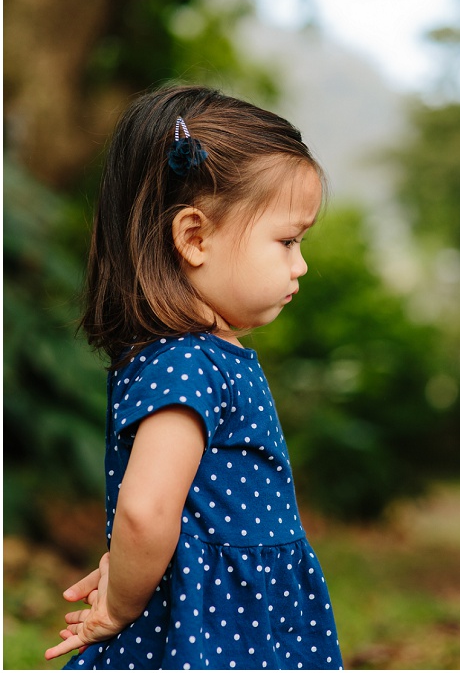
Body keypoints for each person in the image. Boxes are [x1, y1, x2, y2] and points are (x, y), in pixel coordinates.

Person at [47, 86, 341, 671]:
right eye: (286, 241)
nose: (300, 263)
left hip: (241, 612)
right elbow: (146, 510)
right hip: (212, 627)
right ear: (194, 237)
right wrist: (120, 605)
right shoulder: (184, 363)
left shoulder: (206, 358)